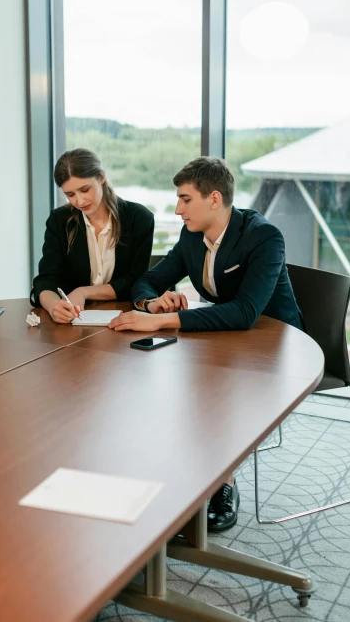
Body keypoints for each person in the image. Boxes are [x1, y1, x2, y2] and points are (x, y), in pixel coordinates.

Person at [109, 156, 303, 532]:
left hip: (276, 346)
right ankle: (178, 475)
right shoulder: (192, 236)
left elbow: (246, 312)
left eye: (185, 199)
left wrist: (160, 320)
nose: (178, 209)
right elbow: (148, 280)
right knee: (166, 382)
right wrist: (153, 302)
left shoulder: (263, 236)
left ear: (214, 199)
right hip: (225, 338)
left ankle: (221, 483)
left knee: (216, 392)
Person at [31, 148, 154, 323]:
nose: (79, 201)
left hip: (125, 320)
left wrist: (83, 292)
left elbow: (135, 280)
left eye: (85, 190)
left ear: (101, 177)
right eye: (70, 195)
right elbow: (46, 280)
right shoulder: (59, 220)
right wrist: (54, 307)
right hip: (74, 324)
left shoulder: (140, 218)